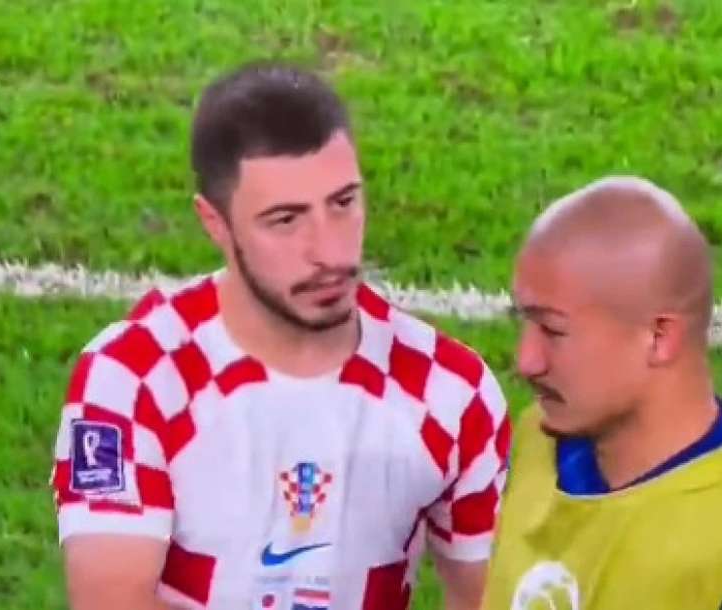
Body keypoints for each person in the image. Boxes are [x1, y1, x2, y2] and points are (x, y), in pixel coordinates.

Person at [49, 61, 510, 610]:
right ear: (216, 224)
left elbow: (491, 598)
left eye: (343, 203)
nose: (330, 252)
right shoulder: (136, 378)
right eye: (286, 220)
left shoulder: (451, 393)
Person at [483, 176, 722, 609]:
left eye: (553, 330)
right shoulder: (538, 438)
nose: (526, 361)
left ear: (658, 337)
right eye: (523, 321)